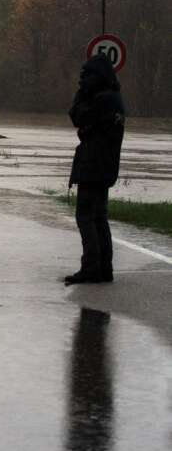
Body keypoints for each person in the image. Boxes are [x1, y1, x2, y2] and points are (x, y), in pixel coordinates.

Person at [65, 53, 125, 285]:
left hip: (93, 165)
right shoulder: (115, 99)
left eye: (86, 76)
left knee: (86, 217)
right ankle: (104, 268)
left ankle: (91, 268)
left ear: (97, 77)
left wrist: (81, 95)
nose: (83, 82)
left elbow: (77, 116)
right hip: (106, 165)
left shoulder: (101, 100)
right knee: (99, 218)